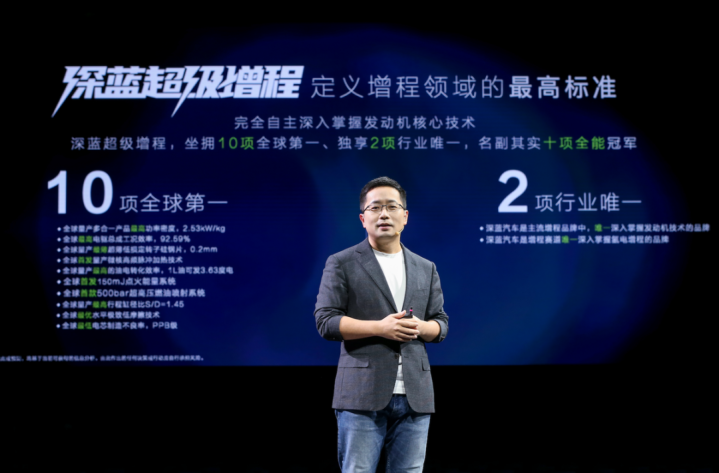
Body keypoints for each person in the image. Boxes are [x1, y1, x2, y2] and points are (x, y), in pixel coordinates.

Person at [315, 176, 449, 472]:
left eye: (391, 207)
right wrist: (380, 328)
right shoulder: (342, 262)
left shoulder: (426, 267)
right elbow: (326, 321)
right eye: (375, 208)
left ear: (405, 216)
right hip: (361, 394)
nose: (384, 214)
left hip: (415, 395)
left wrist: (420, 328)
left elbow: (440, 323)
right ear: (363, 219)